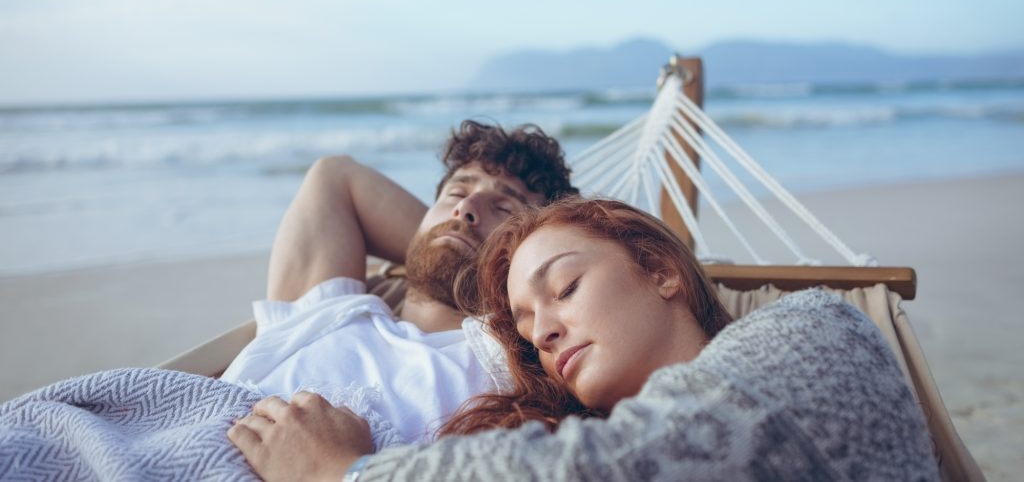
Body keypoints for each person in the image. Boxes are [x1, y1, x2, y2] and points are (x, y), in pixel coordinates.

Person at [230, 198, 941, 481]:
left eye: (564, 288)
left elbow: (627, 463)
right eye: (529, 330)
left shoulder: (815, 328)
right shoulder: (557, 428)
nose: (545, 330)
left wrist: (339, 473)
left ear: (660, 269)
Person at [220, 120, 577, 449]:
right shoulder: (326, 314)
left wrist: (504, 267)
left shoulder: (515, 365)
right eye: (455, 193)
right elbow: (333, 174)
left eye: (503, 208)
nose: (466, 207)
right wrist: (446, 244)